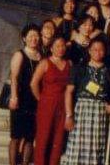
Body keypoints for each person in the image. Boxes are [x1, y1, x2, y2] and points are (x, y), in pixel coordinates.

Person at [63, 36, 110, 165]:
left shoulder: (109, 71)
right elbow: (69, 92)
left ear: (105, 51)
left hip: (100, 112)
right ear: (89, 51)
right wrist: (69, 115)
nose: (98, 52)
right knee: (77, 146)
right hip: (82, 111)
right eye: (94, 49)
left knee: (96, 146)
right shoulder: (79, 69)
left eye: (101, 50)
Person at [30, 36, 72, 165]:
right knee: (43, 139)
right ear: (51, 48)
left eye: (63, 45)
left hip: (62, 105)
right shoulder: (45, 63)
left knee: (58, 141)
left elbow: (70, 87)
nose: (61, 48)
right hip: (47, 105)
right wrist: (41, 98)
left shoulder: (69, 64)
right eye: (57, 46)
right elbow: (33, 84)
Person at [8, 24, 42, 165]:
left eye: (36, 35)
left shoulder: (41, 56)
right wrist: (14, 96)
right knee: (16, 136)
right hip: (21, 98)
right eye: (30, 36)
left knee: (29, 137)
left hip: (34, 100)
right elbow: (14, 77)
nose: (33, 39)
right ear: (24, 38)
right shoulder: (19, 54)